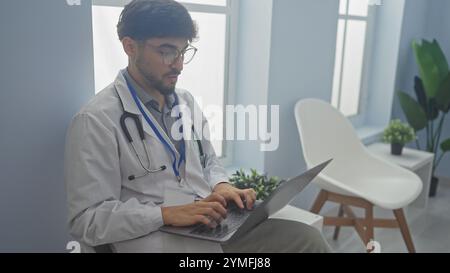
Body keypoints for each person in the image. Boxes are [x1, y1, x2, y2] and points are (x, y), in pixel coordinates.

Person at [64, 0, 331, 253]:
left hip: (208, 224)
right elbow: (87, 220)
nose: (178, 64)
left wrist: (222, 185)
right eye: (166, 51)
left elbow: (208, 162)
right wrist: (164, 214)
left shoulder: (186, 102)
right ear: (130, 46)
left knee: (308, 239)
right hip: (156, 239)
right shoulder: (96, 120)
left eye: (183, 51)